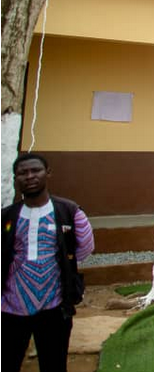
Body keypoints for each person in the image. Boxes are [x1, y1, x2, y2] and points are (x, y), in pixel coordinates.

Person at [2, 153, 95, 372]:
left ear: (48, 173)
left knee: (54, 365)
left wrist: (62, 264)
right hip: (10, 308)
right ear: (15, 179)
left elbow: (85, 248)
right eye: (22, 173)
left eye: (35, 170)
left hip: (54, 307)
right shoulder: (7, 216)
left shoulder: (70, 212)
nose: (29, 176)